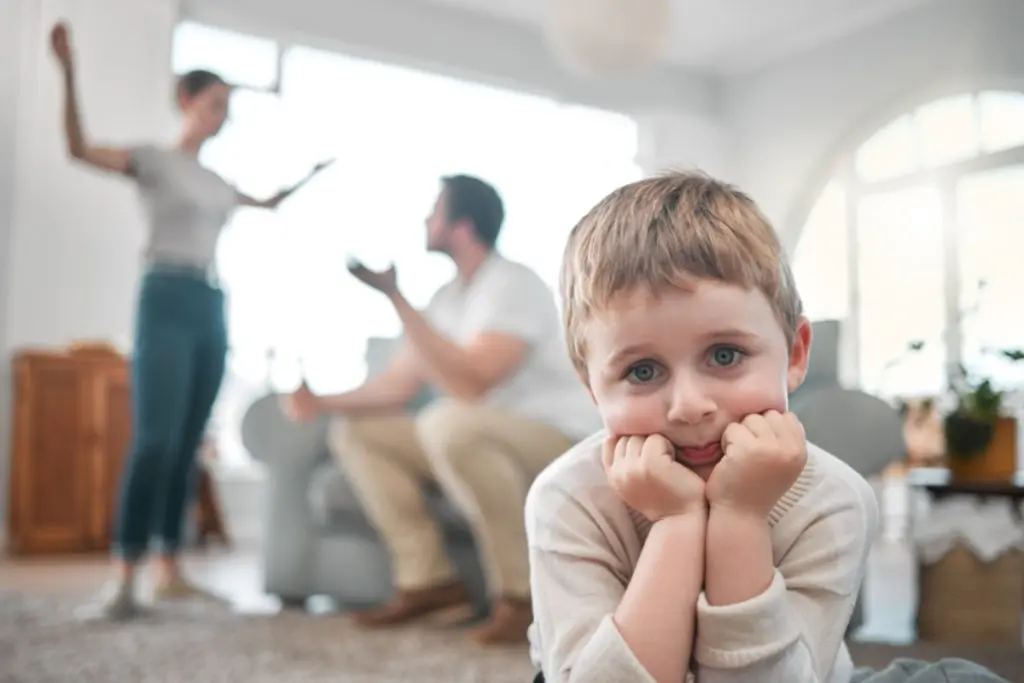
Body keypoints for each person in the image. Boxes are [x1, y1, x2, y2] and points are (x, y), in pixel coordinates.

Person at [525, 171, 1009, 683]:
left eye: (725, 355)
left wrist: (740, 517)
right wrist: (676, 522)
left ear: (795, 354)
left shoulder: (834, 498)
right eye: (642, 371)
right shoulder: (568, 498)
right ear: (591, 386)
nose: (689, 407)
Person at [48, 21, 332, 621]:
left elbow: (267, 203)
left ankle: (169, 572)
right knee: (153, 439)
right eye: (214, 104)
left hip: (210, 304)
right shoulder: (153, 161)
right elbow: (78, 147)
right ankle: (125, 575)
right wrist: (68, 72)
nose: (221, 115)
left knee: (188, 444)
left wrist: (310, 178)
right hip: (165, 297)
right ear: (186, 101)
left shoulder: (217, 181)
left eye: (228, 108)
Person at [283, 174, 599, 645]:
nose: (426, 220)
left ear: (462, 225)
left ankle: (521, 598)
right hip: (475, 432)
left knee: (448, 421)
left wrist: (395, 297)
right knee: (359, 432)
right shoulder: (447, 299)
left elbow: (474, 382)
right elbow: (396, 387)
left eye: (435, 212)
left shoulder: (512, 283)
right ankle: (431, 582)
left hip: (553, 436)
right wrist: (320, 402)